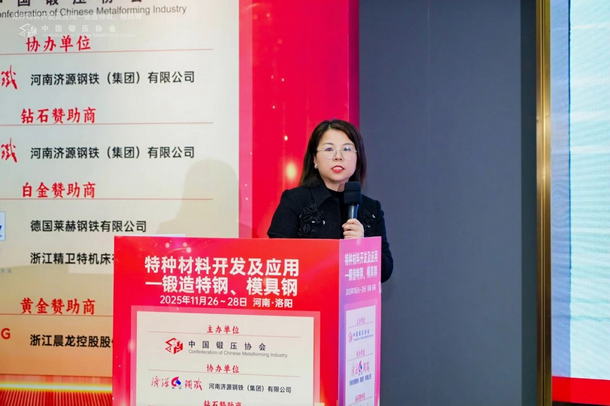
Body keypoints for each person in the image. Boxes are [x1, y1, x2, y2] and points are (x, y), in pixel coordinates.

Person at [267, 119, 393, 282]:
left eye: (346, 149)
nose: (338, 157)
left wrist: (362, 246)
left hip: (353, 297)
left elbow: (385, 271)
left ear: (357, 158)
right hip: (308, 294)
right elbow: (275, 259)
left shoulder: (371, 208)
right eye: (329, 149)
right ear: (315, 159)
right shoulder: (295, 200)